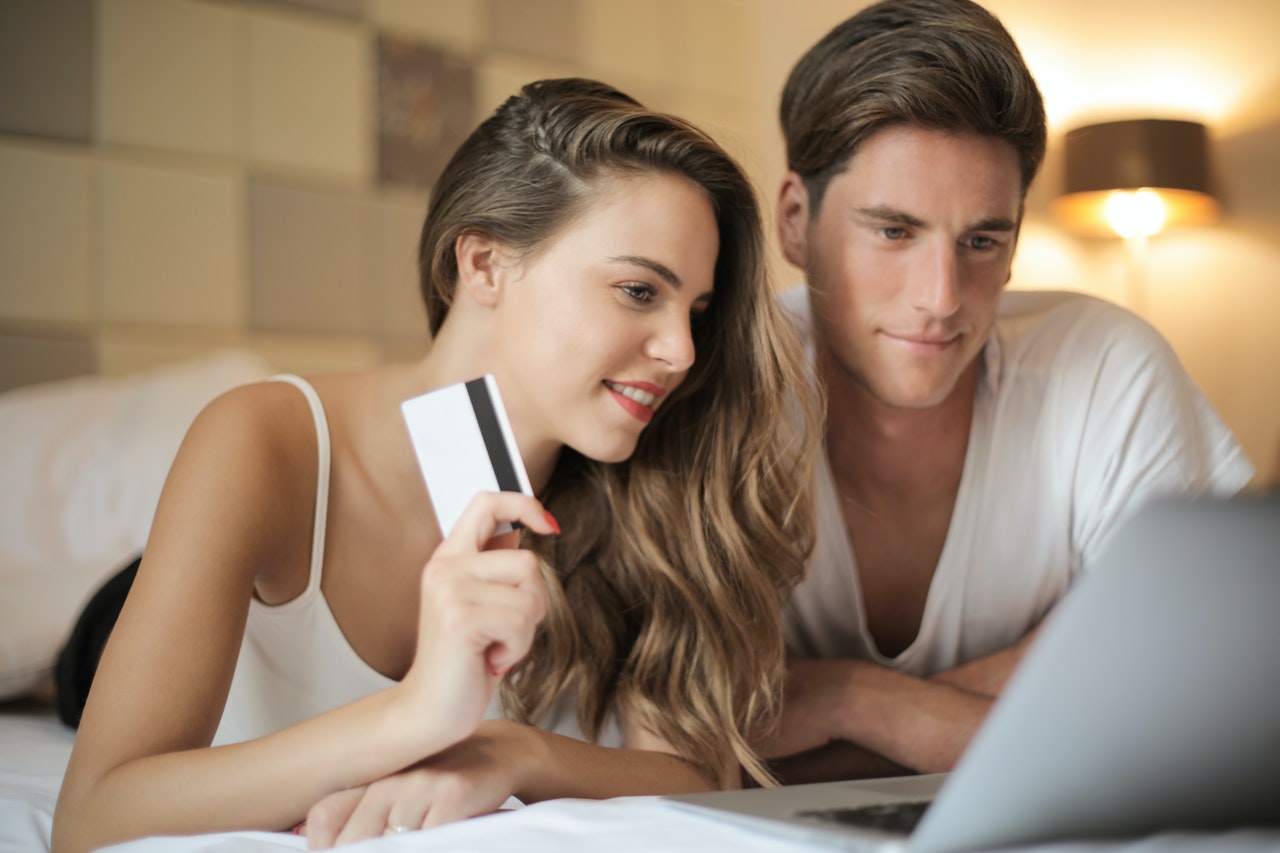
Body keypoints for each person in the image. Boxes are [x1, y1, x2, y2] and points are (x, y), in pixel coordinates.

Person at [52, 77, 818, 852]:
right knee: (68, 642)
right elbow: (91, 818)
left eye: (695, 312)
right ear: (483, 263)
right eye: (637, 290)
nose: (682, 351)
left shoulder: (651, 492)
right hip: (139, 604)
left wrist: (512, 751)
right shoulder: (263, 440)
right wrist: (415, 713)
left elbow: (692, 772)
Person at [758, 0, 1255, 783]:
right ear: (795, 220)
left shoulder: (1102, 366)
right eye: (894, 231)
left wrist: (857, 701)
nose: (941, 297)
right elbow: (685, 730)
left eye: (982, 239)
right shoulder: (720, 389)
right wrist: (1057, 675)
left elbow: (1194, 693)